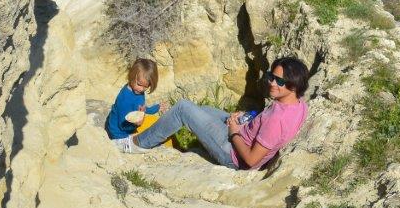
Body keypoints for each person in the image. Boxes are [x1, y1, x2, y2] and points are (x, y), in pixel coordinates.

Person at [116, 56, 310, 171]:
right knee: (204, 110)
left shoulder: (277, 119)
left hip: (233, 155)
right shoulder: (298, 105)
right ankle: (165, 130)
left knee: (183, 108)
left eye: (280, 81)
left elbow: (251, 160)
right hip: (243, 134)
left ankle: (137, 144)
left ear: (294, 85)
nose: (272, 83)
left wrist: (234, 132)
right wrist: (246, 120)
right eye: (271, 77)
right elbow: (266, 129)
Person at [106, 59, 163, 142]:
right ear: (131, 76)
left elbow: (141, 108)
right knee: (148, 142)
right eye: (139, 84)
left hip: (130, 125)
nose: (141, 89)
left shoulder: (136, 90)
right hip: (119, 134)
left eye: (146, 86)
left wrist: (156, 108)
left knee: (157, 126)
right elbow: (122, 125)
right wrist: (137, 124)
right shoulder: (125, 100)